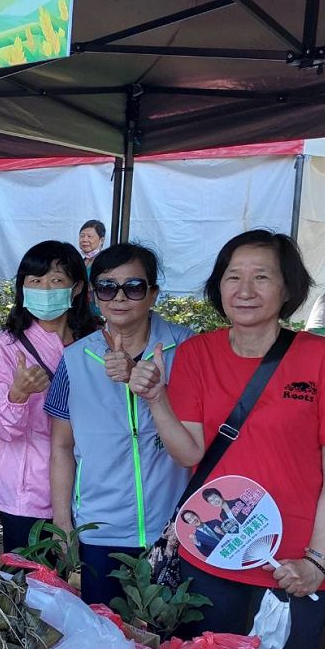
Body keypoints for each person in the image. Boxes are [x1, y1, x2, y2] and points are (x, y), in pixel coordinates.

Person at [129, 230, 325, 649]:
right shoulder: (198, 352)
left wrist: (316, 560)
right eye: (233, 277)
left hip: (293, 565)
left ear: (288, 287)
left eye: (262, 277)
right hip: (212, 555)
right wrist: (156, 398)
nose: (245, 290)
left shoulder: (324, 358)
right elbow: (190, 453)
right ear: (219, 287)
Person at [46, 243, 193, 604]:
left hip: (173, 526)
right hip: (100, 527)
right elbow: (62, 446)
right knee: (106, 637)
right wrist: (64, 523)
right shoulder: (76, 358)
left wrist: (150, 385)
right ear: (95, 296)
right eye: (107, 287)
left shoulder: (187, 347)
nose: (120, 297)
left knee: (169, 644)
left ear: (153, 293)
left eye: (134, 287)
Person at [0, 241, 98, 553]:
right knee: (30, 588)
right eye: (35, 281)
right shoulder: (6, 347)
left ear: (75, 288)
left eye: (56, 280)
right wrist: (18, 394)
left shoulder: (97, 344)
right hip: (27, 495)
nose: (45, 289)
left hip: (90, 491)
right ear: (22, 288)